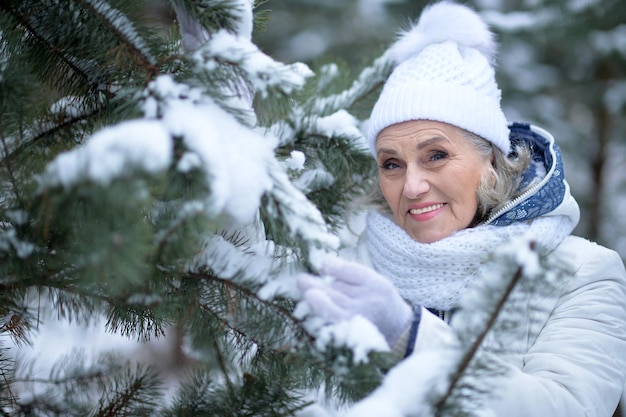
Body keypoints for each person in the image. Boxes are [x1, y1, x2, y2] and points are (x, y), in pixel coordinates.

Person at [297, 1, 626, 416]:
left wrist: (411, 336)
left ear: (490, 162)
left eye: (436, 155)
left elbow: (564, 406)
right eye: (392, 164)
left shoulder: (583, 273)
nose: (412, 186)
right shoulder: (351, 269)